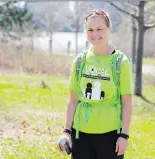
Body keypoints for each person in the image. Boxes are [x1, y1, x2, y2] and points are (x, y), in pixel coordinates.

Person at [57, 9, 133, 159]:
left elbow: (127, 102)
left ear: (109, 28)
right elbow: (73, 101)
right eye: (90, 29)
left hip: (110, 134)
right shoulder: (80, 61)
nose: (95, 33)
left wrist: (124, 135)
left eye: (99, 29)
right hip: (81, 134)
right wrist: (66, 132)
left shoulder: (120, 62)